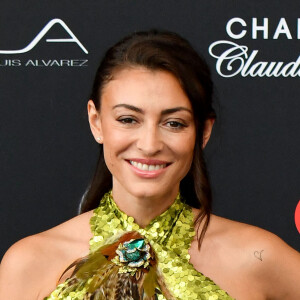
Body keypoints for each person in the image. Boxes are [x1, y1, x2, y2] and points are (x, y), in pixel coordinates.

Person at [0, 30, 299, 300]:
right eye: (128, 119)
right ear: (96, 121)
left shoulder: (258, 257)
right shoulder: (29, 262)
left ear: (203, 132)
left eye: (173, 123)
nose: (149, 144)